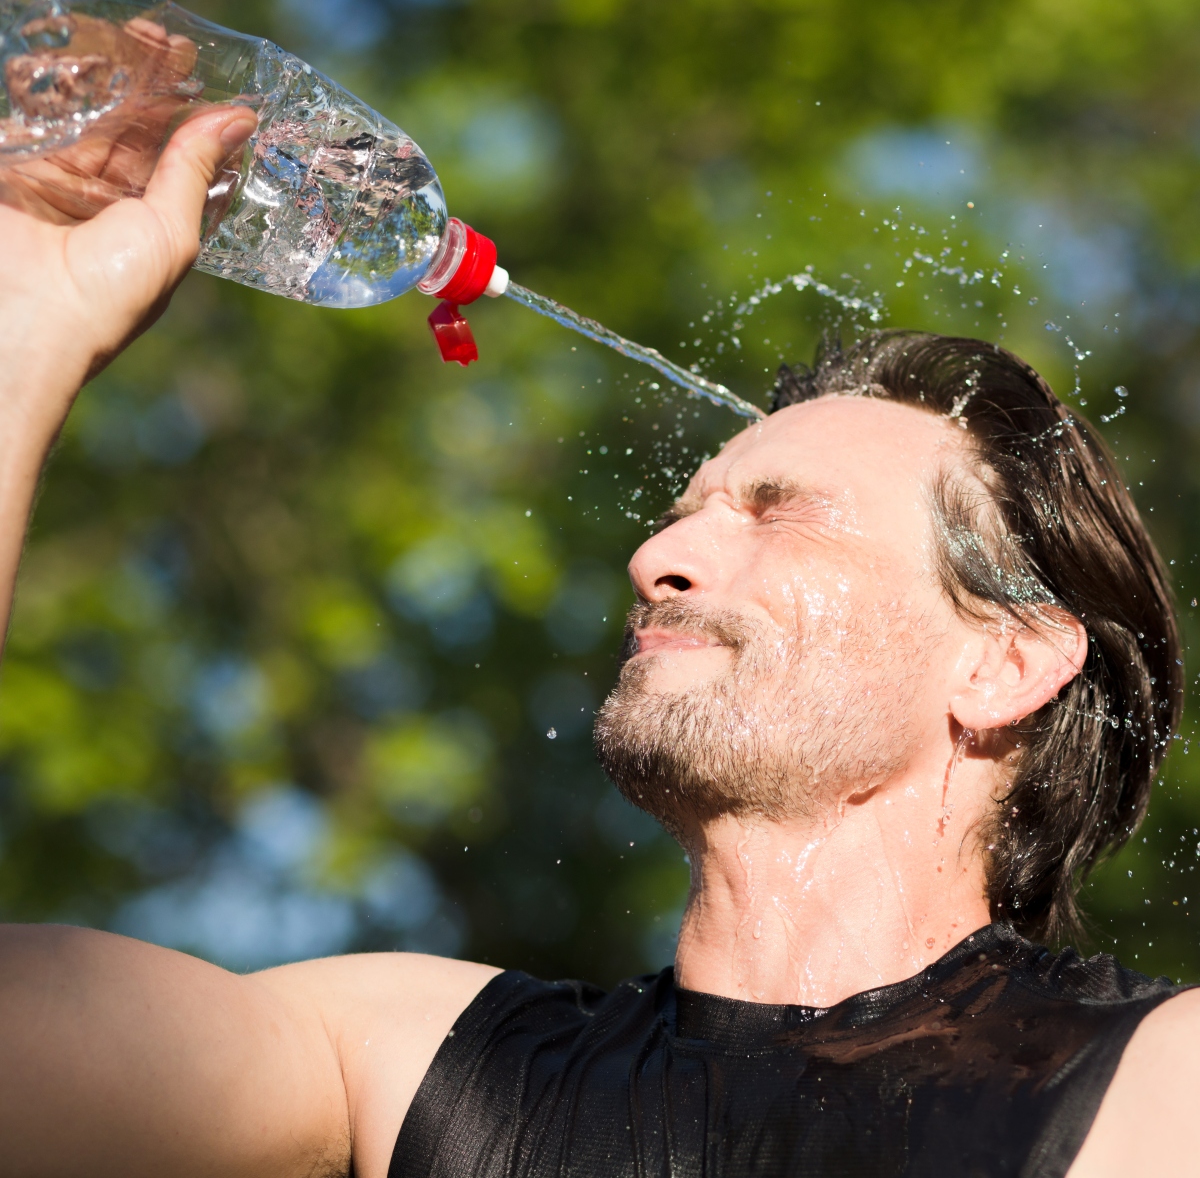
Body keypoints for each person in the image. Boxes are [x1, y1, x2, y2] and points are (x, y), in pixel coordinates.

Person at [0, 104, 1197, 1178]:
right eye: (681, 515)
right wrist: (27, 331)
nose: (655, 560)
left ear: (1002, 664)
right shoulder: (409, 1066)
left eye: (782, 514)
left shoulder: (1157, 1084)